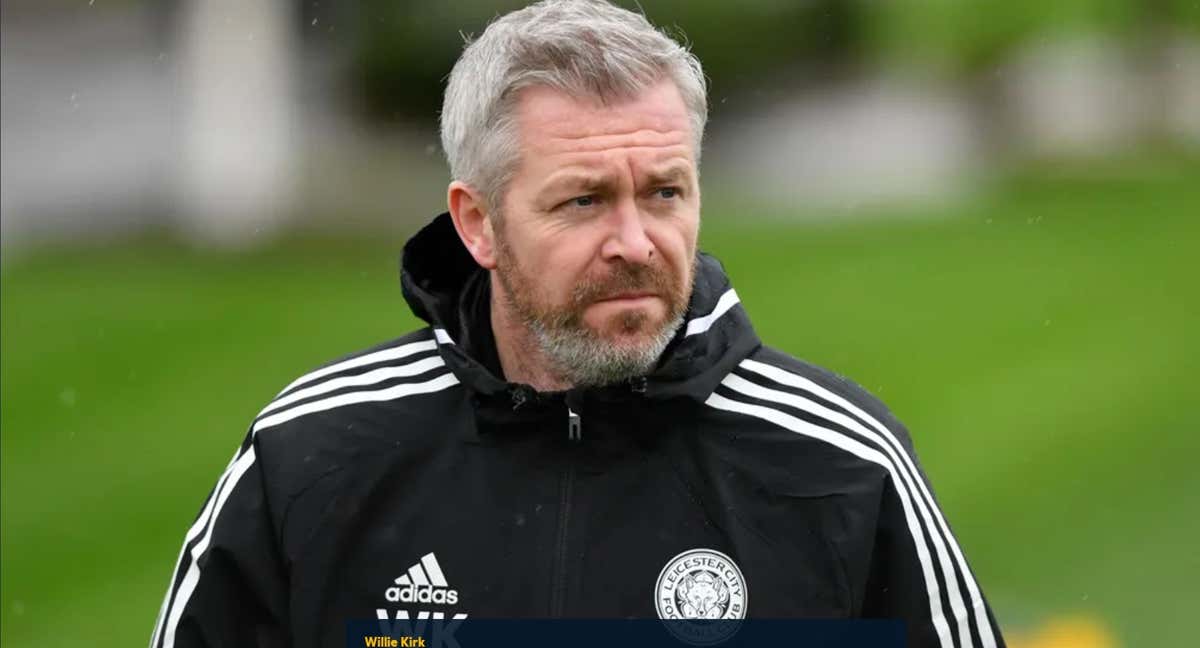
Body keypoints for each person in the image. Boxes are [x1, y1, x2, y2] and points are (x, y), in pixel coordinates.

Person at [150, 1, 1006, 647]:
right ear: (477, 222)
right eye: (584, 200)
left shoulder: (840, 470)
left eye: (664, 192)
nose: (633, 243)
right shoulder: (312, 457)